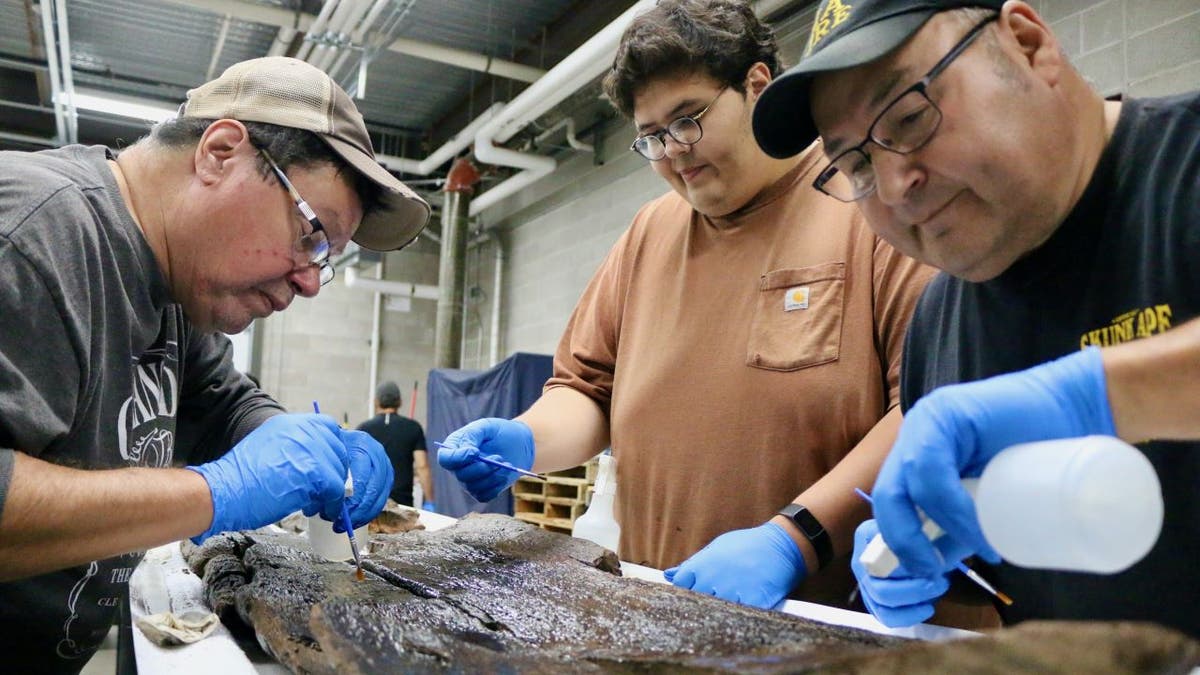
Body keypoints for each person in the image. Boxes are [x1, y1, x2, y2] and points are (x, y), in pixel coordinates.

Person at [439, 0, 932, 611]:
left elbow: (927, 407)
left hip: (829, 618)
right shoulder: (649, 234)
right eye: (650, 137)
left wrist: (796, 538)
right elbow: (589, 390)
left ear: (756, 85)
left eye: (687, 119)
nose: (672, 151)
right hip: (660, 608)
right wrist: (523, 438)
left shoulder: (861, 201)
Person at [752, 0, 1200, 636]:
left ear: (1026, 43)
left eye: (908, 117)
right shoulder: (939, 327)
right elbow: (1010, 589)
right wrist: (922, 569)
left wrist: (1091, 397)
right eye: (855, 164)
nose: (892, 182)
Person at [0, 56, 430, 670]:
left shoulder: (172, 286)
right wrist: (215, 491)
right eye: (312, 234)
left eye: (327, 259)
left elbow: (223, 399)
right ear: (220, 152)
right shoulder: (30, 235)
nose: (311, 282)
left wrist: (283, 435)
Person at [359, 381, 434, 510]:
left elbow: (358, 467)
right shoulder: (413, 428)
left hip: (372, 503)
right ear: (399, 401)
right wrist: (430, 501)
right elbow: (422, 466)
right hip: (403, 505)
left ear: (376, 402)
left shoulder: (364, 429)